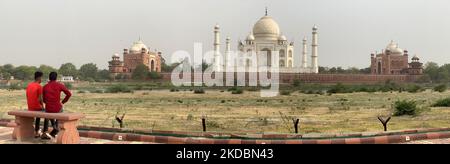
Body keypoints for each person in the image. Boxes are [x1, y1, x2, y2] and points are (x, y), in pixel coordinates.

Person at [42, 72, 72, 139]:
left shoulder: (45, 87)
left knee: (49, 114)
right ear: (56, 78)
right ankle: (56, 128)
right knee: (59, 112)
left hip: (48, 108)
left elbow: (43, 99)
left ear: (49, 78)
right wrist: (63, 102)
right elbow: (69, 94)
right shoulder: (59, 85)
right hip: (57, 108)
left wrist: (47, 102)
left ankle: (51, 129)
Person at [25, 71, 44, 138]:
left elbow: (27, 96)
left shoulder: (29, 85)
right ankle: (40, 132)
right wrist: (43, 106)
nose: (42, 79)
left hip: (30, 107)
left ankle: (37, 131)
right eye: (42, 78)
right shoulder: (39, 86)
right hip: (36, 107)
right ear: (39, 78)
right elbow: (40, 99)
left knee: (39, 113)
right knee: (47, 115)